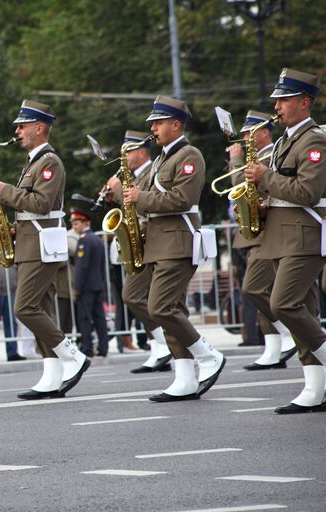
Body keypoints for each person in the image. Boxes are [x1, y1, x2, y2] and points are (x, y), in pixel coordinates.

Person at [123, 97, 225, 402]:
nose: (153, 128)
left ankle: (207, 356)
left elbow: (182, 198)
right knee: (166, 307)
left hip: (177, 241)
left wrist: (139, 197)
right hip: (157, 242)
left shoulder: (189, 155)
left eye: (158, 123)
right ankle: (184, 376)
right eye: (152, 123)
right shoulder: (160, 159)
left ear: (176, 124)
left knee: (160, 307)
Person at [0, 99, 89, 400]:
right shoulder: (34, 162)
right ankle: (52, 372)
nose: (17, 131)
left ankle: (72, 354)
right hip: (32, 241)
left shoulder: (49, 162)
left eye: (22, 126)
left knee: (25, 307)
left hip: (41, 245)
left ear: (40, 127)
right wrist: (13, 228)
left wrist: (6, 191)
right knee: (43, 308)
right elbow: (34, 209)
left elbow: (42, 204)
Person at [244, 68, 326, 413]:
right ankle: (315, 387)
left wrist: (267, 177)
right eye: (276, 100)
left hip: (305, 234)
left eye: (284, 100)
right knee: (303, 308)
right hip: (281, 234)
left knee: (284, 304)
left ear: (304, 103)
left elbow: (308, 192)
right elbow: (281, 190)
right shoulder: (283, 142)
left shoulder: (314, 140)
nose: (277, 106)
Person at [228, 110, 298, 370]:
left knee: (255, 289)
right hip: (253, 231)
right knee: (261, 293)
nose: (245, 138)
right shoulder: (255, 157)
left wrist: (236, 163)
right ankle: (274, 347)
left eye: (249, 133)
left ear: (264, 132)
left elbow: (240, 188)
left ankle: (290, 333)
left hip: (269, 230)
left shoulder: (271, 155)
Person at [106, 130, 173, 373]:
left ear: (142, 152)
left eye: (129, 152)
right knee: (135, 296)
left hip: (154, 239)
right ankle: (159, 346)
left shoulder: (150, 172)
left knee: (144, 298)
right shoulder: (133, 175)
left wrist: (120, 193)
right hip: (141, 241)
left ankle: (166, 345)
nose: (124, 157)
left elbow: (147, 203)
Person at [70, 208, 109, 357]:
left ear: (86, 222)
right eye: (73, 223)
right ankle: (103, 347)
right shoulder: (97, 239)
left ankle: (87, 348)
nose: (75, 226)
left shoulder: (84, 239)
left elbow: (82, 266)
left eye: (77, 223)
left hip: (86, 286)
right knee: (99, 318)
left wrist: (77, 288)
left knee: (85, 318)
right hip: (97, 284)